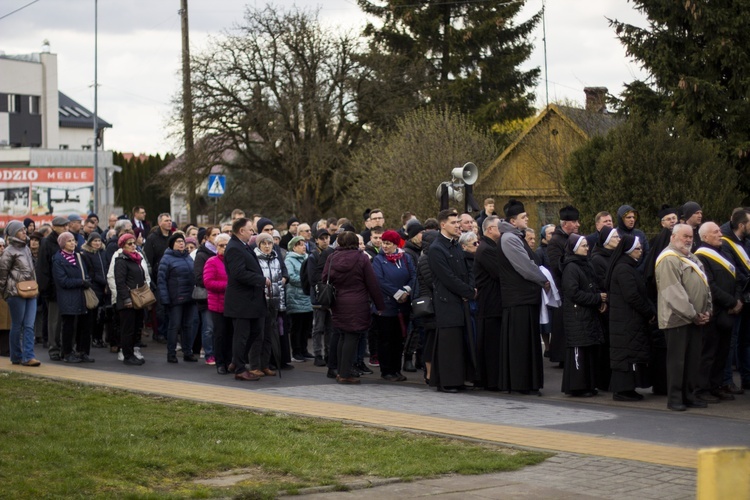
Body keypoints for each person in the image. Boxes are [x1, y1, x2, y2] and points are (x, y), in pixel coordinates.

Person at [655, 224, 712, 411]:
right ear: (673, 237)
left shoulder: (691, 257)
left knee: (692, 360)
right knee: (677, 362)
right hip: (676, 319)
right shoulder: (668, 259)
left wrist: (707, 311)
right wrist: (693, 314)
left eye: (691, 236)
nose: (688, 239)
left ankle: (689, 395)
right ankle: (675, 398)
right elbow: (673, 293)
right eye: (684, 236)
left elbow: (705, 286)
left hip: (695, 319)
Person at [497, 200, 549, 395]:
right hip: (518, 300)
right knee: (521, 345)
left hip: (523, 298)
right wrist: (543, 280)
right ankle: (521, 383)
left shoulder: (514, 237)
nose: (527, 219)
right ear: (512, 220)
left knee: (526, 344)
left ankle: (525, 382)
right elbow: (525, 267)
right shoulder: (509, 239)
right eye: (523, 217)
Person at [324, 231, 386, 384]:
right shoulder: (362, 258)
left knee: (342, 335)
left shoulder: (331, 258)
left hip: (338, 301)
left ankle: (340, 370)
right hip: (358, 302)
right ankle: (345, 374)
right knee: (352, 336)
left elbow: (325, 278)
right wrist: (380, 305)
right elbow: (372, 283)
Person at [428, 209, 476, 393]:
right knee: (449, 344)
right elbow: (447, 278)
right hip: (447, 302)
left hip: (461, 300)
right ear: (443, 225)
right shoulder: (436, 249)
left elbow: (467, 269)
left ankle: (459, 378)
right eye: (454, 223)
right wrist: (467, 291)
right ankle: (448, 381)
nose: (458, 226)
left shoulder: (456, 245)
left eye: (458, 222)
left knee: (460, 343)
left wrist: (470, 289)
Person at [695, 222, 742, 403]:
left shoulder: (723, 252)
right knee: (709, 353)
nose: (720, 234)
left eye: (719, 231)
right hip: (714, 312)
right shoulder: (701, 256)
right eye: (715, 232)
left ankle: (716, 386)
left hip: (728, 312)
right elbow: (709, 285)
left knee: (722, 353)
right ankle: (702, 389)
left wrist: (737, 300)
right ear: (705, 237)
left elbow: (736, 278)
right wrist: (731, 301)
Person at [605, 234, 655, 401]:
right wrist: (648, 311)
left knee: (630, 353)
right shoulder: (623, 268)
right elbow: (632, 296)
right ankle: (623, 390)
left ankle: (628, 388)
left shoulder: (627, 266)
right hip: (626, 320)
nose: (641, 252)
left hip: (628, 319)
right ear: (629, 250)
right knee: (626, 355)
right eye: (638, 249)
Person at [560, 234, 605, 397]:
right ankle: (578, 387)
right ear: (574, 248)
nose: (587, 248)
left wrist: (600, 299)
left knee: (588, 350)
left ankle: (588, 384)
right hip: (577, 315)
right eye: (584, 246)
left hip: (587, 314)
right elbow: (573, 293)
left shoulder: (586, 264)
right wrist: (596, 298)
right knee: (579, 351)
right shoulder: (571, 267)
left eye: (587, 245)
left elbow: (593, 285)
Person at [224, 217, 268, 382]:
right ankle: (240, 369)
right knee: (241, 335)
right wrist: (261, 280)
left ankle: (237, 360)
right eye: (250, 229)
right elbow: (238, 273)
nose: (253, 232)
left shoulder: (243, 246)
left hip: (251, 300)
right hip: (241, 300)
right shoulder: (234, 248)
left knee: (256, 330)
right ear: (241, 231)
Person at [372, 230, 417, 382]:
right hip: (385, 307)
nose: (384, 246)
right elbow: (379, 280)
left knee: (399, 340)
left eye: (388, 243)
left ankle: (396, 369)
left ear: (395, 244)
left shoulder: (406, 258)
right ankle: (387, 370)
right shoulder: (378, 260)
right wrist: (397, 293)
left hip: (403, 307)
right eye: (383, 243)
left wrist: (406, 291)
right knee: (386, 340)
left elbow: (413, 276)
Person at [0, 220, 40, 366]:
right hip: (15, 293)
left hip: (31, 291)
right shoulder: (8, 252)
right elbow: (2, 275)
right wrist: (6, 293)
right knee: (17, 325)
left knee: (29, 325)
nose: (25, 232)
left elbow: (32, 271)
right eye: (21, 230)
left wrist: (36, 286)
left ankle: (29, 356)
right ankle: (16, 355)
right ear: (13, 233)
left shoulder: (27, 249)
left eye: (25, 229)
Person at [51, 231, 94, 363]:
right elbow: (62, 281)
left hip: (81, 295)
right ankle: (67, 352)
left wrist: (86, 280)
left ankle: (82, 351)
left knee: (84, 325)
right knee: (68, 325)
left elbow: (87, 272)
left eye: (73, 240)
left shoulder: (79, 256)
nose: (72, 243)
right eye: (69, 241)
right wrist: (81, 282)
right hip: (67, 296)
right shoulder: (58, 259)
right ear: (63, 244)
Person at [249, 232, 288, 377]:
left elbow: (281, 279)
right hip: (260, 300)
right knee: (258, 334)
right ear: (259, 245)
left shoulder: (276, 258)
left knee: (269, 335)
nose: (267, 246)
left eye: (269, 243)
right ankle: (254, 365)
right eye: (264, 243)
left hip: (274, 300)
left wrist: (281, 302)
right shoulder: (254, 258)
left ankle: (265, 364)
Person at [546, 205, 581, 364]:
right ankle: (561, 356)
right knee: (562, 325)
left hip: (573, 285)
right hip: (563, 287)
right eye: (574, 222)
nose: (578, 225)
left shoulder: (573, 237)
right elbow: (556, 265)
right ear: (565, 223)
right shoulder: (555, 241)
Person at [157, 233, 197, 363]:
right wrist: (165, 299)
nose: (181, 244)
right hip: (175, 298)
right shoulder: (166, 259)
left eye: (183, 241)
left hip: (190, 297)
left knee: (188, 326)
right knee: (174, 326)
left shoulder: (188, 257)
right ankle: (171, 353)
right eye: (178, 241)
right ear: (172, 244)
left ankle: (187, 352)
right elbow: (161, 281)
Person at [474, 215, 503, 390]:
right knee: (491, 345)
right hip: (490, 303)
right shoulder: (486, 249)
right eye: (499, 226)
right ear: (490, 229)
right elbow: (499, 272)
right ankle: (491, 381)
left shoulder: (490, 247)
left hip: (492, 302)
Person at [36, 216, 69, 361]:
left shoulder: (65, 241)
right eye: (63, 226)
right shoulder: (47, 243)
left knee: (64, 320)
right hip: (53, 289)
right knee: (54, 321)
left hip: (65, 288)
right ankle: (54, 348)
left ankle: (64, 346)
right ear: (55, 226)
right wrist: (45, 289)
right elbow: (42, 268)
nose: (65, 229)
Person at [113, 233, 147, 366]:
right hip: (127, 300)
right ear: (122, 246)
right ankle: (127, 355)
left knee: (136, 327)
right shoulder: (121, 261)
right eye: (129, 244)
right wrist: (126, 299)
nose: (133, 246)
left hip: (138, 299)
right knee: (127, 329)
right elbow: (120, 283)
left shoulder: (137, 259)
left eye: (134, 243)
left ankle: (132, 352)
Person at [203, 233, 233, 374]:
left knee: (231, 334)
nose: (225, 248)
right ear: (216, 247)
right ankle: (220, 363)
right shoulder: (212, 261)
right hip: (218, 304)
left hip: (232, 304)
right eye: (221, 245)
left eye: (227, 245)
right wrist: (228, 286)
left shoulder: (233, 261)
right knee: (219, 334)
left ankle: (230, 361)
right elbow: (208, 282)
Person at [193, 226, 219, 366]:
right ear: (207, 237)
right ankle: (209, 353)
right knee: (208, 327)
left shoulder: (222, 253)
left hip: (220, 296)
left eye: (218, 234)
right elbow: (198, 277)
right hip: (207, 296)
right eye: (214, 234)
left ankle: (218, 352)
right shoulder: (202, 255)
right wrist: (214, 284)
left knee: (218, 327)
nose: (217, 236)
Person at [80, 232, 110, 350]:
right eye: (95, 241)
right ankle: (93, 338)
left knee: (102, 314)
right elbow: (91, 273)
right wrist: (103, 282)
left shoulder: (103, 252)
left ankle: (99, 337)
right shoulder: (86, 254)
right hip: (95, 287)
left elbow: (107, 267)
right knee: (94, 314)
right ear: (90, 242)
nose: (97, 243)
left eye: (99, 241)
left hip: (105, 287)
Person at [285, 236, 313, 363]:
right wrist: (307, 282)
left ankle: (304, 349)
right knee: (297, 326)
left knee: (306, 326)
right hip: (296, 297)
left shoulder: (308, 259)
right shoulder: (289, 260)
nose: (303, 247)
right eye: (300, 244)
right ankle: (296, 351)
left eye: (304, 244)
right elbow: (291, 277)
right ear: (294, 247)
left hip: (307, 297)